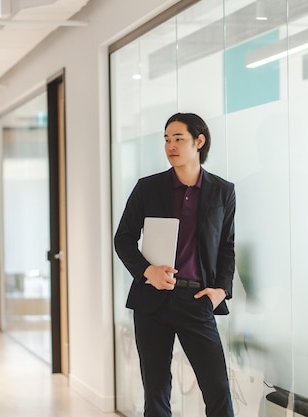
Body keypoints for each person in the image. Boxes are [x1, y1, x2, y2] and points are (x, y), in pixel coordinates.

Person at [114, 112, 235, 417]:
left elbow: (226, 247)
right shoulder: (147, 188)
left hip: (197, 301)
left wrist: (221, 289)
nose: (170, 145)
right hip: (152, 301)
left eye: (178, 138)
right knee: (156, 392)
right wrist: (147, 271)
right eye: (167, 139)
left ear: (199, 141)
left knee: (218, 389)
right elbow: (124, 239)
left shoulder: (222, 191)